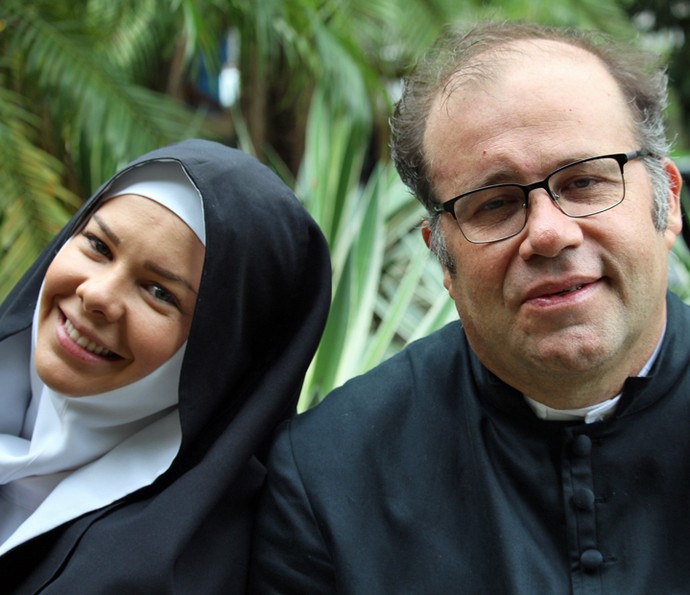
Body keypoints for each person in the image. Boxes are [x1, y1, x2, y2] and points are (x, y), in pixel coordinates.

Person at [249, 21, 690, 594]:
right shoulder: (329, 476)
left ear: (668, 202)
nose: (550, 234)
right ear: (443, 260)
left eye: (584, 182)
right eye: (495, 204)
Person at [0, 138, 331, 593]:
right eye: (97, 245)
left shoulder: (172, 576)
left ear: (220, 356)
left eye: (160, 293)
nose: (96, 295)